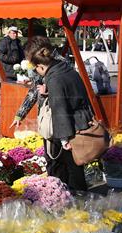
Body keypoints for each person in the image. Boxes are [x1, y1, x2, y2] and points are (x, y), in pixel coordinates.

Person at [26, 39, 91, 191]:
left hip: (66, 128)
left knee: (60, 167)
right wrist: (50, 92)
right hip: (80, 122)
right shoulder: (66, 69)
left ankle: (64, 199)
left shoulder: (54, 79)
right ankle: (79, 198)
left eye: (36, 69)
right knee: (76, 166)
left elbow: (59, 110)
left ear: (40, 66)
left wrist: (63, 139)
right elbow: (73, 93)